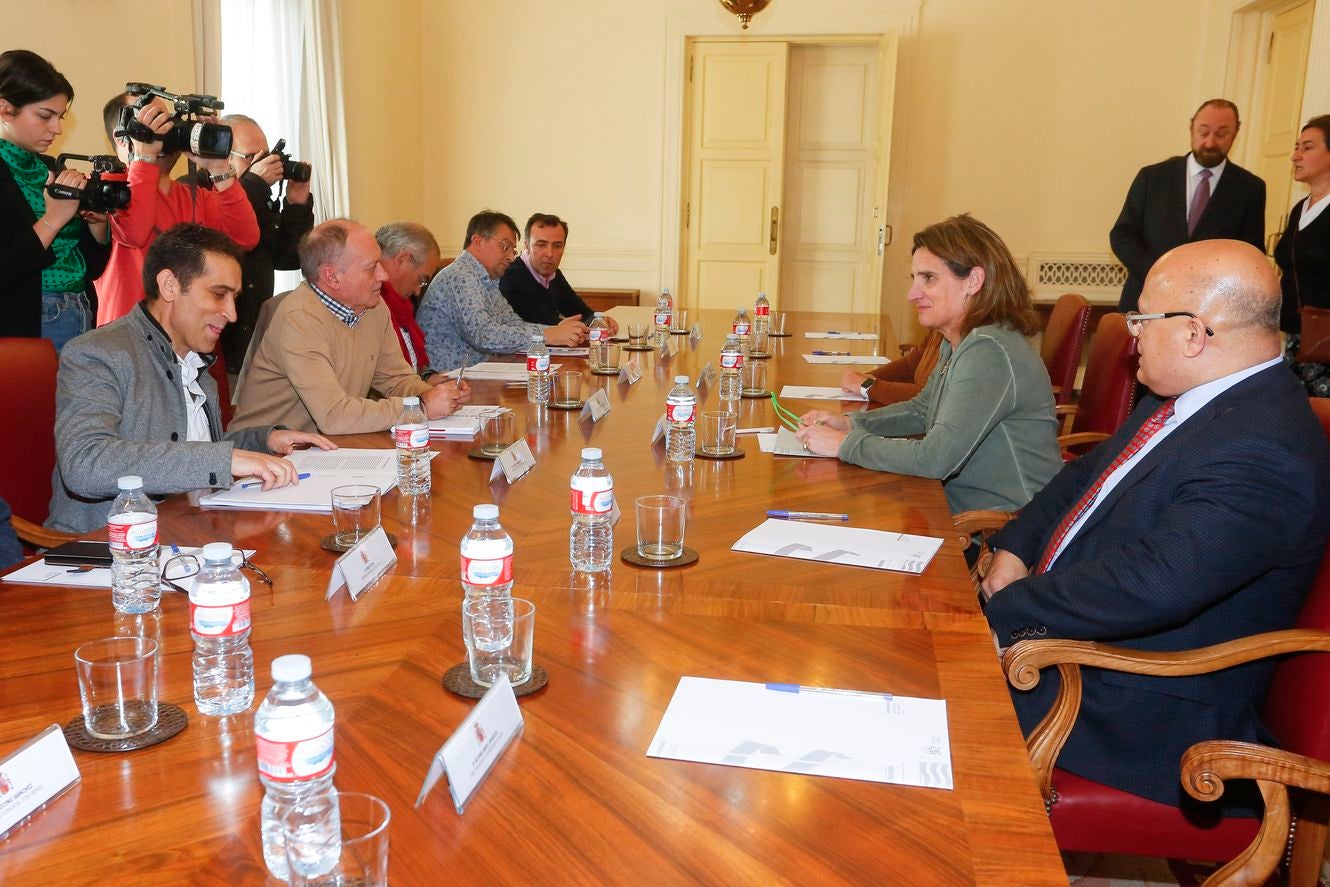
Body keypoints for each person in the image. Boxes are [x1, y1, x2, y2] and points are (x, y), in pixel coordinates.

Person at [981, 239, 1330, 813]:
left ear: (1195, 333)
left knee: (911, 710)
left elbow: (1151, 583)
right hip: (1077, 642)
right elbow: (1081, 480)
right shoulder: (1185, 397)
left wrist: (1014, 608)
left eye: (1141, 318)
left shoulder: (1267, 446)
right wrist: (1015, 548)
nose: (1133, 334)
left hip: (1138, 706)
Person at [48, 223, 333, 534]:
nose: (232, 313)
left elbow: (191, 448)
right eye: (218, 294)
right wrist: (224, 460)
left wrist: (262, 440)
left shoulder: (195, 361)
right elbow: (85, 463)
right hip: (108, 552)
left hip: (188, 534)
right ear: (169, 286)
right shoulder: (98, 353)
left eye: (234, 298)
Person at [796, 214, 1061, 516]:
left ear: (973, 281)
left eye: (929, 278)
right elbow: (922, 410)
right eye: (914, 279)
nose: (912, 294)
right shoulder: (958, 340)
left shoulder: (989, 351)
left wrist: (846, 445)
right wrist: (852, 423)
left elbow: (934, 459)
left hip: (1001, 530)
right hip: (960, 510)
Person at [229, 219, 469, 434]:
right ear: (332, 277)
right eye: (371, 267)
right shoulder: (299, 319)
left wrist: (438, 395)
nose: (384, 276)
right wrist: (422, 406)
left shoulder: (373, 307)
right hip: (264, 459)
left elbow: (395, 380)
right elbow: (334, 416)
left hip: (325, 451)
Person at [93, 91, 260, 326]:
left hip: (192, 345)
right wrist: (144, 157)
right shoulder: (106, 190)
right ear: (122, 138)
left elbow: (245, 239)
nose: (163, 130)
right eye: (150, 121)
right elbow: (135, 232)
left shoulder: (195, 196)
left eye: (166, 121)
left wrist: (218, 167)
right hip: (128, 349)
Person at [1110, 99, 1265, 312]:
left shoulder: (1250, 188)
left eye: (1221, 134)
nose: (1210, 142)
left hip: (1209, 309)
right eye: (1203, 131)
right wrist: (1160, 275)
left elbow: (1250, 255)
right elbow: (1122, 236)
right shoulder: (1153, 177)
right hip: (1145, 300)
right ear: (1191, 127)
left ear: (1236, 132)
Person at [0, 49, 110, 349]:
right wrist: (53, 218)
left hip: (80, 310)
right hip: (23, 324)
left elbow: (92, 267)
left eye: (60, 117)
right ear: (4, 108)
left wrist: (97, 226)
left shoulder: (49, 168)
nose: (57, 129)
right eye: (45, 116)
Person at [417, 209, 588, 372]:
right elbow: (483, 335)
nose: (511, 257)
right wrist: (548, 335)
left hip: (475, 379)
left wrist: (555, 331)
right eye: (504, 246)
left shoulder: (488, 280)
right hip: (447, 384)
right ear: (477, 242)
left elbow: (512, 323)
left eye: (512, 250)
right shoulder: (460, 276)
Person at [211, 114, 315, 374]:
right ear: (223, 156)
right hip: (217, 345)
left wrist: (296, 205)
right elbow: (219, 244)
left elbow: (289, 258)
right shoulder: (199, 192)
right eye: (251, 158)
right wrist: (254, 185)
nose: (265, 165)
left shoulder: (260, 198)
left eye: (267, 156)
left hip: (254, 345)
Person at [1275, 115, 1330, 397]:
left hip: (1326, 345)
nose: (1295, 155)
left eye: (1307, 147)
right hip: (1297, 339)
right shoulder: (1300, 208)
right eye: (1297, 147)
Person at [500, 212, 619, 335]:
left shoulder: (553, 274)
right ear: (526, 246)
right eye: (541, 245)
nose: (549, 254)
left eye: (557, 246)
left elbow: (579, 312)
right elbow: (542, 322)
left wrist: (599, 321)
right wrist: (569, 326)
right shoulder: (511, 276)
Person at [375, 221, 443, 376]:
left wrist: (427, 380)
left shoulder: (401, 305)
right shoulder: (370, 304)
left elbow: (410, 369)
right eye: (421, 279)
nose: (418, 291)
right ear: (401, 260)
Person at [839, 331, 943, 406]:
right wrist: (863, 379)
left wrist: (868, 386)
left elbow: (928, 398)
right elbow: (909, 365)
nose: (912, 299)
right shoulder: (937, 331)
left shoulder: (956, 343)